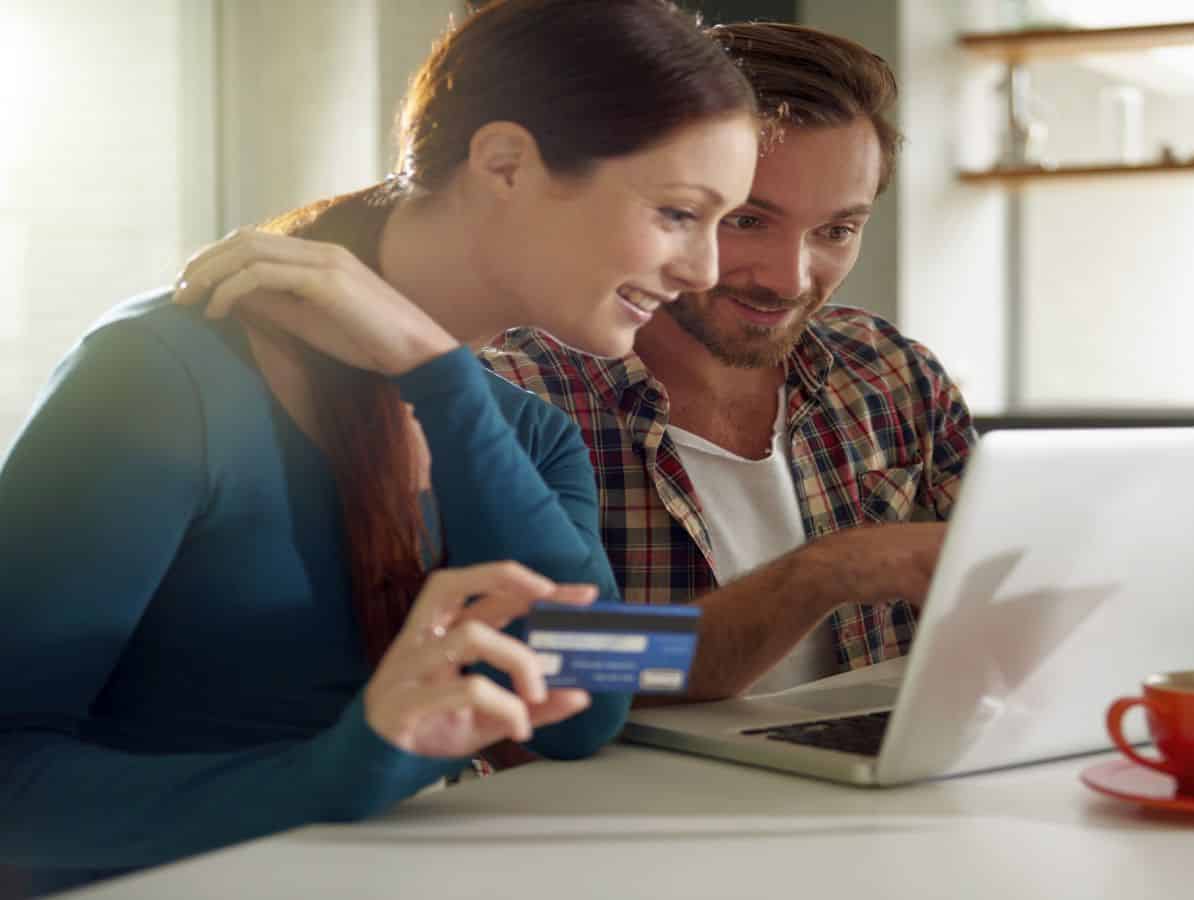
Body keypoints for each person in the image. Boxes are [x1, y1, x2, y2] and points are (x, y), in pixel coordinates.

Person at [0, 0, 757, 893]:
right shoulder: (160, 379)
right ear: (504, 163)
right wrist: (341, 770)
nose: (706, 271)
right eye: (678, 212)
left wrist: (437, 372)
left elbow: (585, 714)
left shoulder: (528, 431)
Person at [482, 22, 1194, 728]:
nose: (790, 277)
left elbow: (1043, 594)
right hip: (626, 821)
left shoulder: (884, 374)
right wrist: (825, 575)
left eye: (836, 229)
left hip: (888, 799)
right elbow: (549, 656)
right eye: (748, 220)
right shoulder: (522, 390)